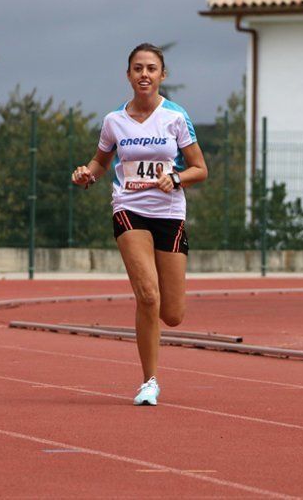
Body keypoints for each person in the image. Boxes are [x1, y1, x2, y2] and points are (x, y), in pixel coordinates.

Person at [71, 43, 207, 406]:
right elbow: (100, 162)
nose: (144, 74)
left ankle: (155, 325)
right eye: (137, 68)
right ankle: (149, 381)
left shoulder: (176, 117)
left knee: (172, 314)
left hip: (169, 213)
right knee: (147, 295)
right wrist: (87, 174)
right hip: (129, 208)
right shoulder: (114, 121)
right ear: (128, 75)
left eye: (151, 68)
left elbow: (200, 169)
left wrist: (176, 179)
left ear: (163, 75)